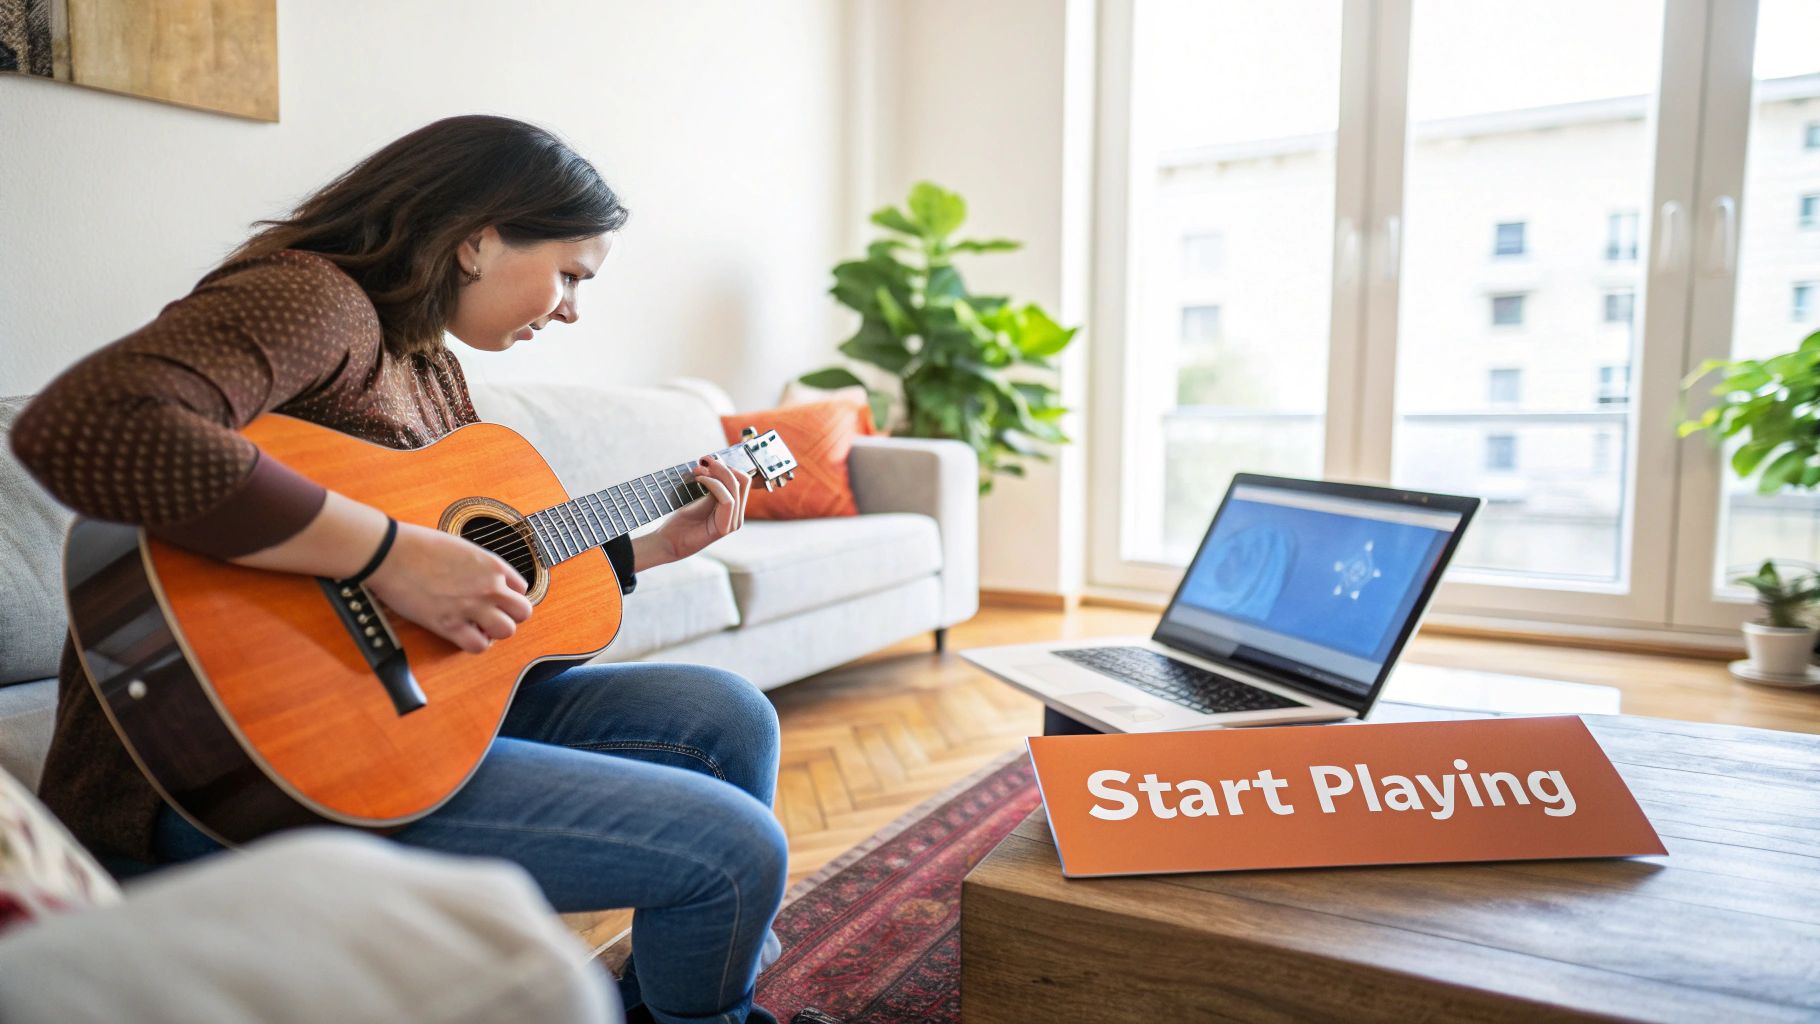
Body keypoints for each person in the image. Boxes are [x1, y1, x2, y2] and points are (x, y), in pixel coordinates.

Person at [11, 114, 791, 1024]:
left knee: (729, 716)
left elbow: (481, 580)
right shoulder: (316, 300)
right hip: (231, 770)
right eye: (571, 275)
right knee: (737, 851)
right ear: (476, 239)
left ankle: (671, 1000)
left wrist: (651, 547)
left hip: (397, 710)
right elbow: (92, 424)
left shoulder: (429, 364)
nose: (573, 309)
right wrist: (387, 554)